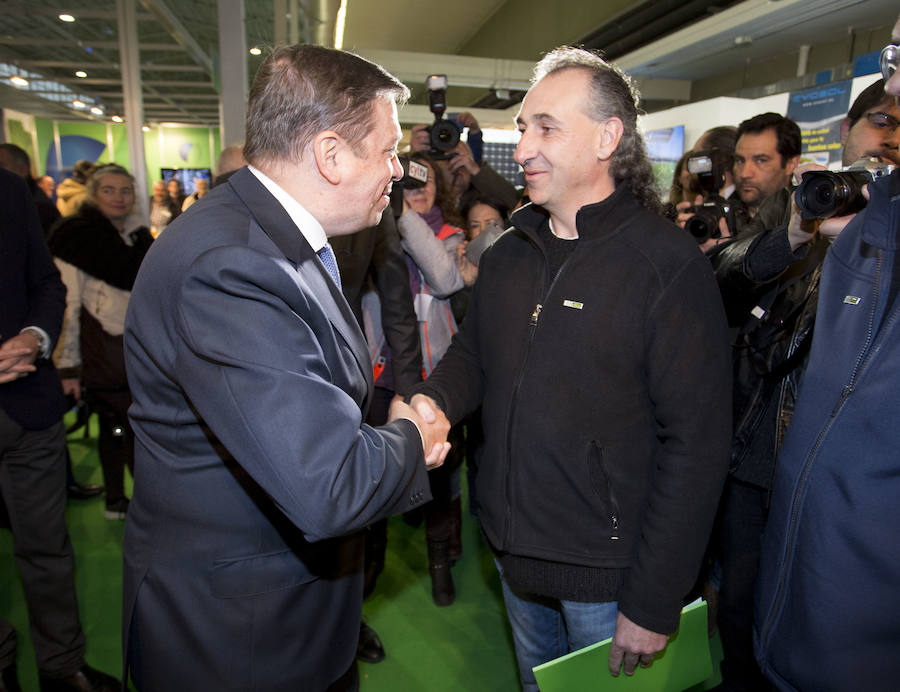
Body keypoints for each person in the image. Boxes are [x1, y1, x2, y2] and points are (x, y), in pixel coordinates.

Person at [121, 44, 450, 692]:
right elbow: (328, 484)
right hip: (239, 641)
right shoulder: (230, 265)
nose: (398, 169)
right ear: (330, 155)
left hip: (285, 615)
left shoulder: (274, 237)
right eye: (387, 151)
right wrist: (415, 436)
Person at [410, 46, 732, 690]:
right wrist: (432, 401)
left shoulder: (664, 266)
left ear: (608, 137)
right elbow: (473, 355)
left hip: (610, 580)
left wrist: (654, 597)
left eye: (545, 128)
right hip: (510, 554)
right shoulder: (508, 252)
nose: (524, 147)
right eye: (525, 127)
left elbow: (697, 446)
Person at [706, 76, 900, 692]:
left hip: (848, 493)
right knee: (741, 615)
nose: (889, 138)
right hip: (759, 454)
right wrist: (796, 234)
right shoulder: (800, 214)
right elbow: (723, 280)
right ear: (848, 132)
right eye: (881, 120)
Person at [0, 168, 120, 692]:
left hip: (30, 404)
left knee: (48, 549)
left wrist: (35, 335)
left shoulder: (8, 189)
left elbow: (45, 281)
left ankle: (61, 665)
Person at [331, 211, 423, 664]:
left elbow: (398, 305)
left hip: (354, 387)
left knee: (363, 508)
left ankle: (352, 616)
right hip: (280, 381)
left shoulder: (377, 205)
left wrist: (408, 395)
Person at [49, 164, 153, 521]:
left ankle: (145, 500)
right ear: (93, 194)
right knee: (112, 425)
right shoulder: (75, 238)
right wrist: (68, 365)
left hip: (138, 349)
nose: (119, 197)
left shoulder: (139, 239)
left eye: (125, 190)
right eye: (109, 190)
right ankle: (115, 497)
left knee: (140, 426)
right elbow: (68, 305)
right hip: (101, 350)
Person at [733, 113, 800, 218]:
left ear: (790, 164)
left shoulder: (807, 222)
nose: (745, 174)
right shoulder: (721, 219)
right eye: (740, 161)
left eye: (760, 161)